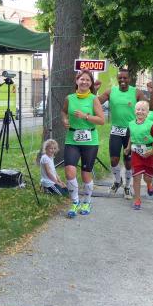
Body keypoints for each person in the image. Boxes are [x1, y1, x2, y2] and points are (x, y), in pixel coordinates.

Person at [95, 68, 147, 199]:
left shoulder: (136, 92)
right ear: (117, 79)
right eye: (120, 78)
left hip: (131, 131)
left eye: (125, 78)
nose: (122, 80)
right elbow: (96, 102)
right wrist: (94, 91)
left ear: (129, 79)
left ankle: (127, 187)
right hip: (116, 129)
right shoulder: (111, 91)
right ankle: (118, 181)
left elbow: (148, 107)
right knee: (114, 159)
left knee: (129, 161)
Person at [61, 70, 105, 217]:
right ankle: (75, 202)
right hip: (72, 139)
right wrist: (64, 120)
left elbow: (101, 120)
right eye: (82, 79)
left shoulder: (93, 99)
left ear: (91, 83)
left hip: (90, 140)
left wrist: (85, 116)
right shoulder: (69, 98)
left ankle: (87, 201)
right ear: (77, 81)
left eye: (88, 80)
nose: (84, 82)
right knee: (69, 171)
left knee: (86, 174)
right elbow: (64, 112)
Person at [125, 101, 153, 210]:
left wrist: (152, 151)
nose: (140, 112)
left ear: (147, 112)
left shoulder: (151, 124)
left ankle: (149, 184)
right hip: (136, 153)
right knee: (136, 177)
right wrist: (128, 147)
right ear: (134, 111)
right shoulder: (131, 124)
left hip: (148, 154)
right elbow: (132, 136)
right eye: (138, 109)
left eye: (143, 110)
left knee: (147, 178)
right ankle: (137, 199)